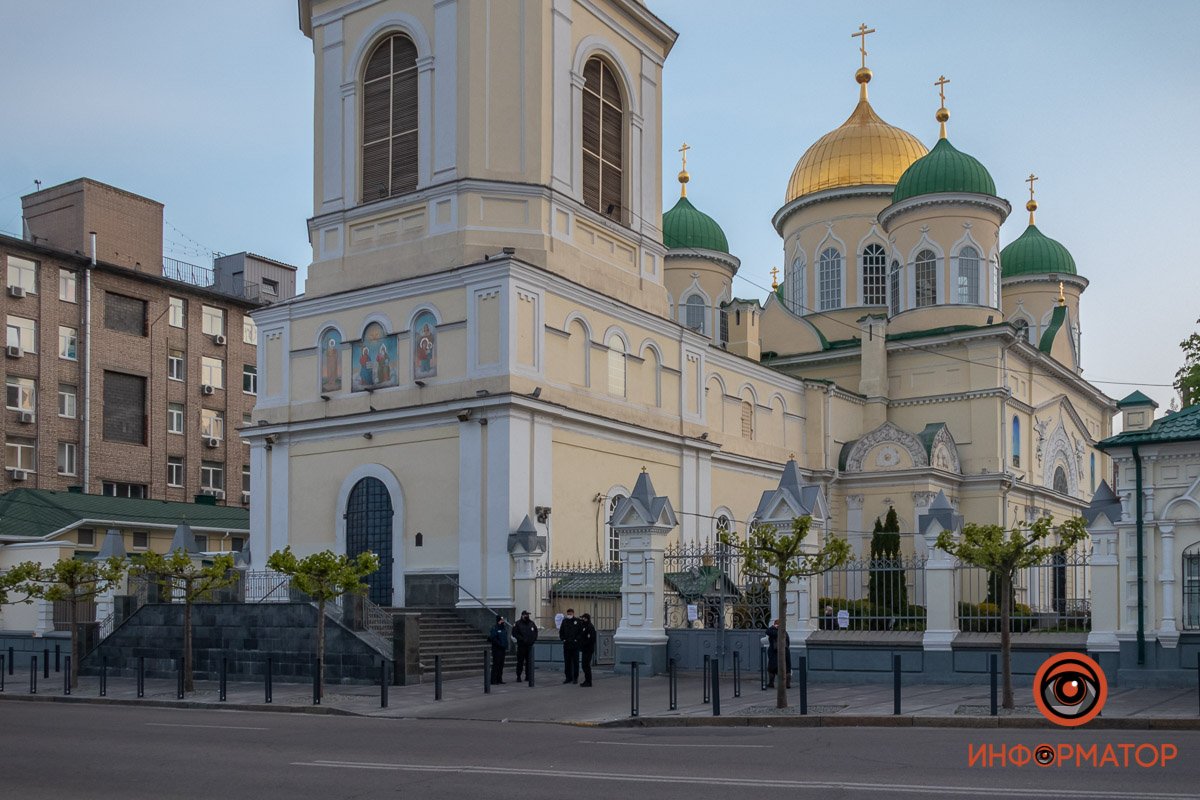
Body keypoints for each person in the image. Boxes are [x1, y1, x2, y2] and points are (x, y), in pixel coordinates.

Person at [513, 610, 539, 682]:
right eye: (526, 615)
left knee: (529, 662)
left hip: (529, 646)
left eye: (528, 615)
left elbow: (535, 632)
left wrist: (533, 640)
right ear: (522, 615)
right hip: (521, 646)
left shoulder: (531, 623)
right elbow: (514, 633)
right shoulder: (518, 623)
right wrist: (522, 639)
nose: (527, 616)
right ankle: (518, 676)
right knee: (520, 662)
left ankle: (528, 676)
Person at [558, 608, 583, 684]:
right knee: (567, 662)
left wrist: (576, 640)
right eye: (568, 614)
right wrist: (563, 639)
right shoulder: (564, 621)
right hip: (567, 645)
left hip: (575, 645)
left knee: (575, 662)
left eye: (570, 614)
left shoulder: (577, 621)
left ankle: (575, 678)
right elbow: (561, 631)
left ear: (573, 613)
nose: (569, 615)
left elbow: (580, 632)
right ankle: (568, 677)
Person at [766, 618, 792, 688]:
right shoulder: (785, 632)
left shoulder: (774, 631)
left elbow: (767, 631)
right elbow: (788, 642)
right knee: (787, 668)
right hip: (785, 651)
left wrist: (773, 627)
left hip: (775, 652)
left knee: (772, 668)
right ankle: (787, 684)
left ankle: (771, 683)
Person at [487, 615, 509, 685]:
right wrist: (500, 644)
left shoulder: (503, 628)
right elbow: (493, 638)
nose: (503, 621)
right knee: (496, 664)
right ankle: (494, 680)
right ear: (498, 620)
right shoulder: (495, 628)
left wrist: (505, 645)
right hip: (497, 649)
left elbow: (505, 638)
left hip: (502, 649)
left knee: (501, 665)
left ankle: (499, 679)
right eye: (501, 620)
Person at [578, 612, 597, 687]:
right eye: (582, 618)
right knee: (584, 665)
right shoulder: (584, 626)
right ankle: (587, 680)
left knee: (586, 665)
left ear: (587, 619)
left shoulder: (590, 627)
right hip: (585, 649)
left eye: (584, 618)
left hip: (588, 650)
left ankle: (588, 681)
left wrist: (583, 644)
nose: (583, 619)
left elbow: (591, 639)